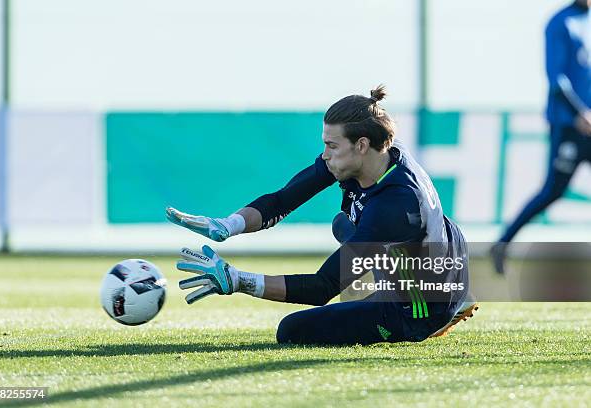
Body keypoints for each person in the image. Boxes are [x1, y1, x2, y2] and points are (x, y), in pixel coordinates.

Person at [167, 85, 477, 345]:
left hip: (419, 307)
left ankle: (435, 317)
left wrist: (238, 280)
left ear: (361, 145)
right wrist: (227, 225)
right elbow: (282, 200)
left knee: (292, 330)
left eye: (331, 145)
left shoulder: (397, 205)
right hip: (442, 258)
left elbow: (323, 287)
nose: (325, 154)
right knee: (344, 223)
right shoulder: (376, 157)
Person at [491, 0, 591, 274]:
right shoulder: (561, 22)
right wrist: (580, 114)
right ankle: (502, 243)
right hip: (570, 127)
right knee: (553, 191)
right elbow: (556, 78)